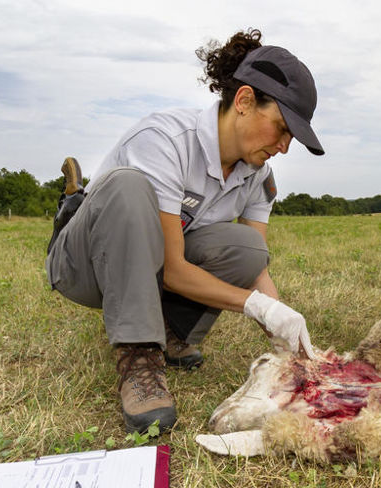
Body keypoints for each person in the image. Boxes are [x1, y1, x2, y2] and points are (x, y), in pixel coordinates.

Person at [45, 29, 323, 435]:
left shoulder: (257, 177)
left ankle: (173, 333)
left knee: (247, 249)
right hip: (85, 267)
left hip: (148, 269)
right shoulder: (165, 141)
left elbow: (253, 268)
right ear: (244, 101)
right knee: (127, 185)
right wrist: (255, 306)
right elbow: (174, 270)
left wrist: (284, 332)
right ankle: (139, 354)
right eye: (281, 127)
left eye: (291, 138)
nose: (284, 146)